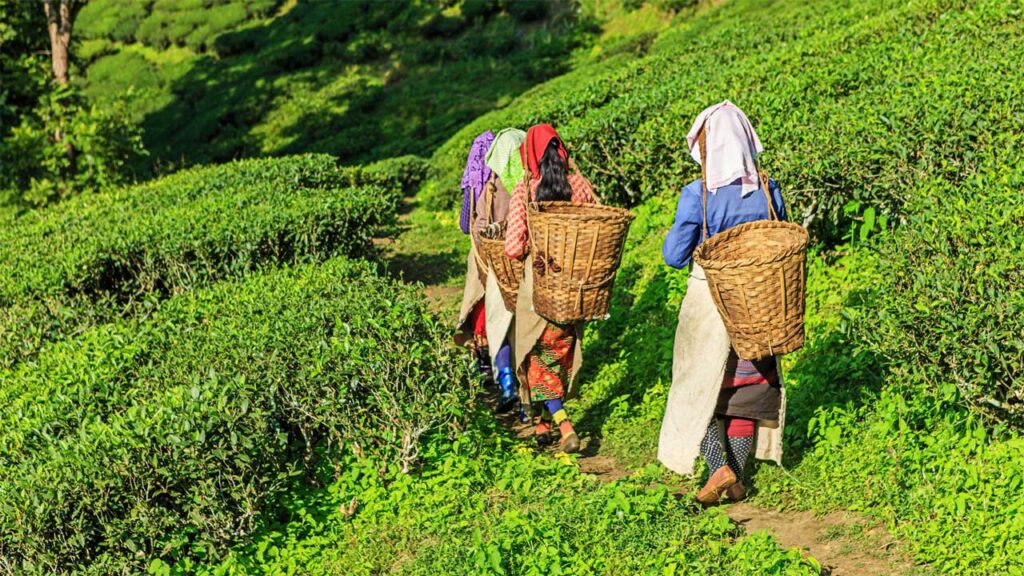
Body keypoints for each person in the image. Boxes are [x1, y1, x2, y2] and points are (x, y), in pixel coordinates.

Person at [657, 101, 787, 505]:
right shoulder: (768, 189)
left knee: (701, 388)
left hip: (713, 304)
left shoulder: (699, 195)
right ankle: (737, 476)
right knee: (746, 393)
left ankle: (719, 468)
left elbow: (674, 255)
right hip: (760, 304)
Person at [504, 124, 597, 453]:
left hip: (540, 290)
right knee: (557, 356)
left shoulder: (525, 190)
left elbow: (514, 247)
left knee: (534, 359)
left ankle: (564, 424)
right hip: (573, 289)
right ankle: (543, 423)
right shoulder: (580, 185)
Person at [456, 130, 519, 413]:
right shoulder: (529, 180)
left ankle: (499, 377)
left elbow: (466, 224)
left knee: (490, 315)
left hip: (491, 258)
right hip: (527, 260)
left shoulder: (485, 186)